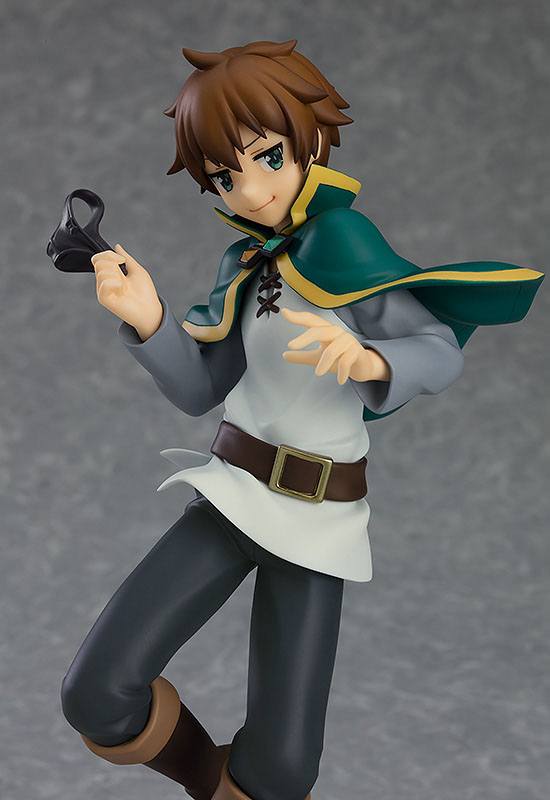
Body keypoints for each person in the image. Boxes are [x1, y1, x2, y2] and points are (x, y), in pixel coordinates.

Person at [59, 40, 543, 800]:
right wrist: (149, 318)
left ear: (309, 139)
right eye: (225, 176)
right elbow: (201, 386)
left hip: (319, 520)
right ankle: (209, 785)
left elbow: (438, 352)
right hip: (232, 496)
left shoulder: (345, 243)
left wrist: (371, 359)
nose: (249, 191)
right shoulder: (245, 264)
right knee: (97, 691)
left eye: (267, 158)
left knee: (283, 771)